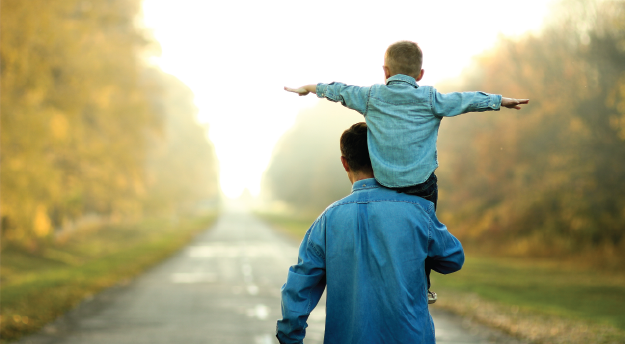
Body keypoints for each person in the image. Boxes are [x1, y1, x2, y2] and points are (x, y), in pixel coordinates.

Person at [284, 40, 529, 302]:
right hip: (422, 187)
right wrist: (500, 100)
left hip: (384, 184)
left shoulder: (371, 97)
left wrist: (309, 89)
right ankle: (421, 286)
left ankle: (379, 273)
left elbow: (340, 90)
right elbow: (465, 100)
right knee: (424, 235)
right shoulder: (431, 98)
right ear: (420, 75)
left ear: (385, 71)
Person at [276, 122, 465, 344]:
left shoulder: (327, 220)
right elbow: (453, 259)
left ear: (345, 163)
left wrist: (290, 335)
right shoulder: (418, 211)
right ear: (384, 155)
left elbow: (299, 288)